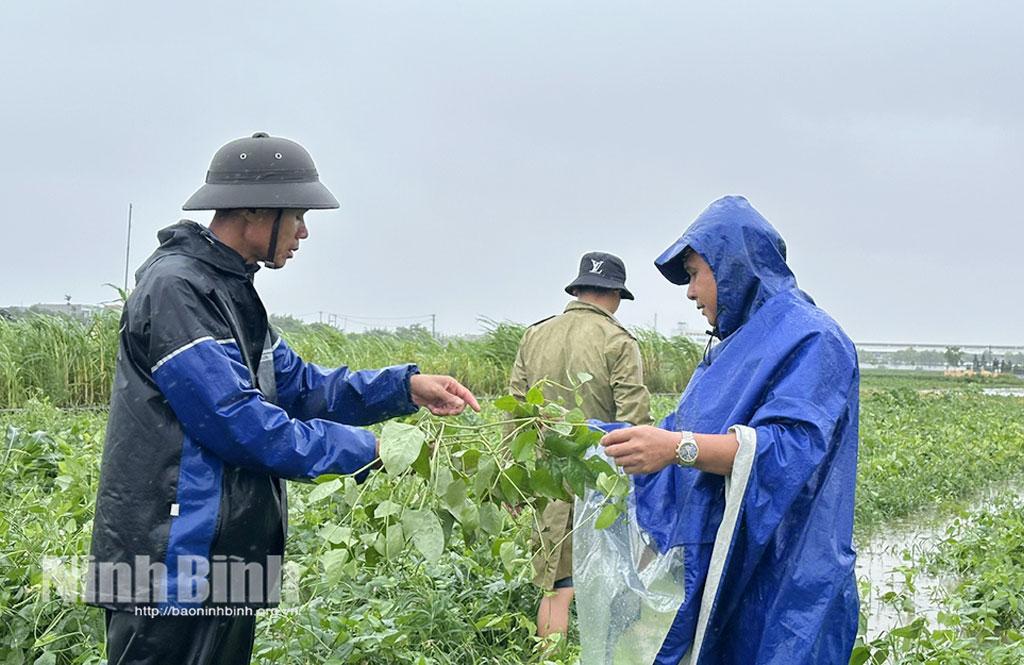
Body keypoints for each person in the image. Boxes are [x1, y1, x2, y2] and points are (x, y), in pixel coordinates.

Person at [87, 132, 480, 664]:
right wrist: (372, 450)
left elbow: (304, 388)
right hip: (167, 558)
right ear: (254, 210)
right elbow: (239, 423)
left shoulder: (231, 292)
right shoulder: (178, 289)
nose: (303, 231)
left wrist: (403, 387)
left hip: (221, 559)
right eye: (296, 215)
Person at [599, 196, 859, 663]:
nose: (690, 292)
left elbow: (789, 451)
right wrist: (591, 437)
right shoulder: (730, 349)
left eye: (695, 273)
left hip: (788, 572)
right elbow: (679, 435)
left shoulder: (813, 338)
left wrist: (678, 448)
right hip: (727, 566)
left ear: (733, 267)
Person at [508, 251, 652, 639]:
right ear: (616, 295)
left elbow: (516, 413)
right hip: (604, 484)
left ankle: (549, 660)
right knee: (619, 584)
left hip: (550, 482)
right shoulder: (618, 341)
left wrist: (512, 478)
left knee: (556, 588)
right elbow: (634, 422)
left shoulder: (535, 335)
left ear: (578, 290)